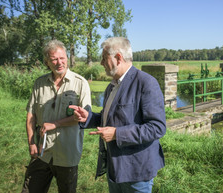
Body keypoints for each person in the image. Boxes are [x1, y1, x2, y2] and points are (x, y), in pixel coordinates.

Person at [71, 37, 166, 193]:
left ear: (118, 58)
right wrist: (88, 117)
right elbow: (110, 117)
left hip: (137, 172)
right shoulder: (112, 86)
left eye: (104, 58)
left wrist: (117, 134)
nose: (101, 63)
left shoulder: (146, 83)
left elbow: (157, 128)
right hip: (115, 167)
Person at [22, 40, 91, 193]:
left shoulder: (81, 83)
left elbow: (83, 117)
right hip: (42, 153)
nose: (59, 63)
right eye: (54, 59)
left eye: (62, 58)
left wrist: (56, 123)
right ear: (47, 62)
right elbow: (31, 116)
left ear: (67, 58)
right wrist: (31, 143)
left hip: (67, 153)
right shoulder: (39, 83)